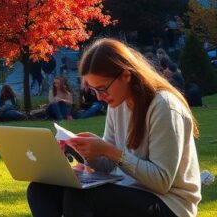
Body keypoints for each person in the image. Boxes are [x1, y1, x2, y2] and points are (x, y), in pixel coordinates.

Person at [27, 39, 201, 217]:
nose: (100, 97)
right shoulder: (117, 104)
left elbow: (161, 182)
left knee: (80, 196)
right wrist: (86, 151)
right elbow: (108, 166)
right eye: (94, 90)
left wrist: (110, 151)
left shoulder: (164, 106)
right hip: (129, 190)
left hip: (170, 204)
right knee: (40, 189)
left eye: (103, 89)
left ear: (126, 75)